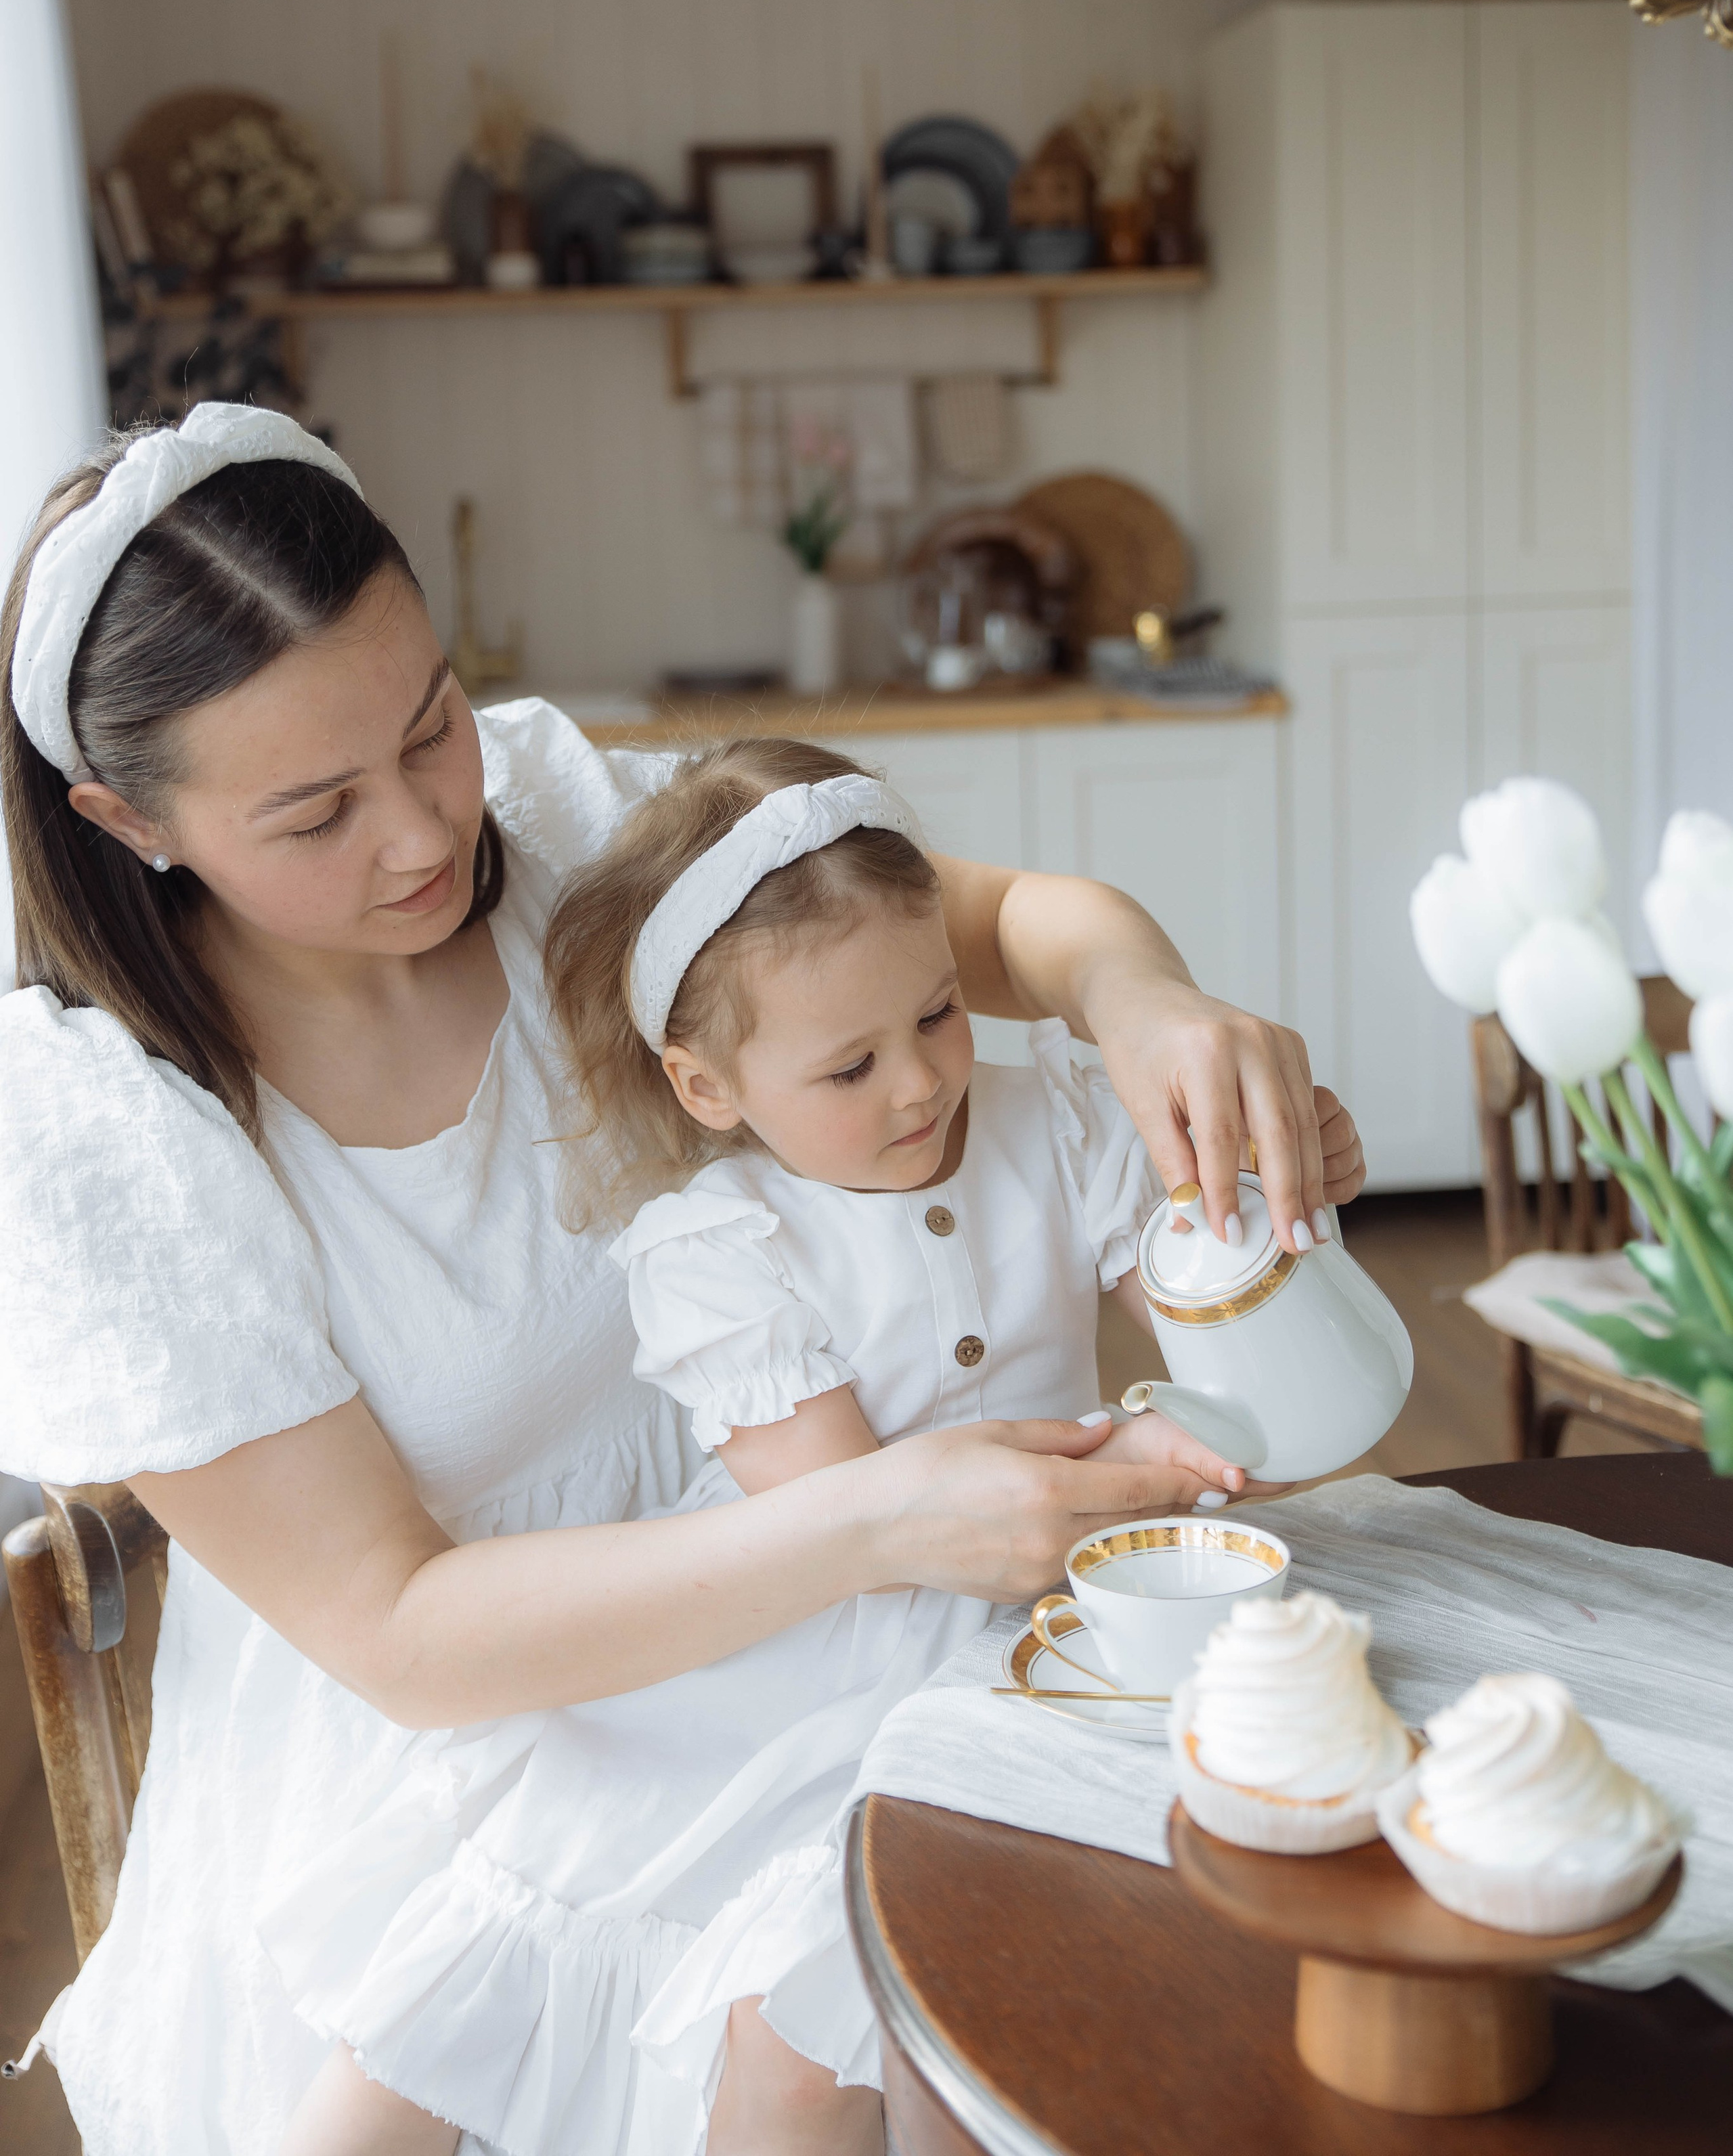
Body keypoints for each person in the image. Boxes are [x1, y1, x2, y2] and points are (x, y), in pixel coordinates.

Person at [0, 407, 1364, 2156]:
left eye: (431, 725)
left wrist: (1139, 997)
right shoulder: (114, 1129)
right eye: (319, 811)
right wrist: (879, 1523)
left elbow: (993, 926)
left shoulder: (569, 826)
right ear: (129, 820)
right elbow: (405, 1634)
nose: (427, 831)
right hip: (467, 1731)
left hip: (814, 1596)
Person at [261, 735, 1265, 2155]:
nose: (919, 1086)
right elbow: (854, 1518)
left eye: (935, 1015)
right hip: (812, 1637)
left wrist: (1246, 1257)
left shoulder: (1049, 1122)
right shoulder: (718, 1249)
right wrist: (1136, 1459)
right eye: (849, 1064)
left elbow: (1196, 1301)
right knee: (599, 1940)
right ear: (708, 1086)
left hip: (1047, 1614)